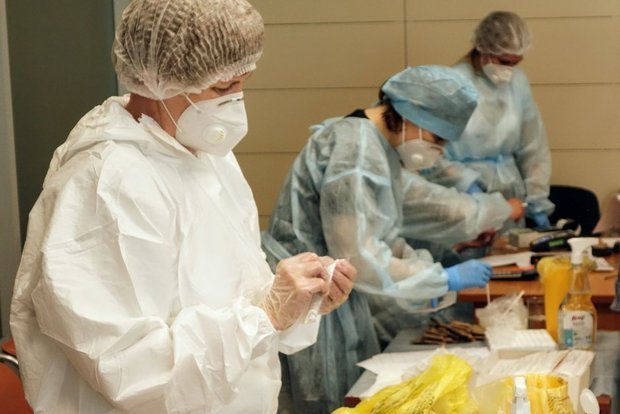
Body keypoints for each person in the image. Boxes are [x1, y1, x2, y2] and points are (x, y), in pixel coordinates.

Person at [9, 1, 357, 413]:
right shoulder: (105, 184)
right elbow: (128, 370)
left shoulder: (206, 157)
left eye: (243, 83)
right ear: (157, 79)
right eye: (222, 88)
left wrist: (295, 302)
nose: (237, 102)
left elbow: (227, 294)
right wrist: (266, 316)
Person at [262, 65, 496, 414]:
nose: (438, 152)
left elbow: (379, 234)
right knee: (321, 401)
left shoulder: (376, 147)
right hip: (309, 296)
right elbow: (358, 255)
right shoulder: (357, 149)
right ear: (413, 116)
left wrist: (425, 272)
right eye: (437, 139)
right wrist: (438, 279)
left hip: (330, 292)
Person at [425, 11, 554, 230]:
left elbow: (533, 147)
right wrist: (465, 183)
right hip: (462, 197)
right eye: (504, 61)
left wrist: (537, 201)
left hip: (510, 196)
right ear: (483, 49)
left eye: (515, 63)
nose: (508, 70)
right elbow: (431, 152)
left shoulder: (518, 83)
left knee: (510, 249)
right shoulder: (452, 83)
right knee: (468, 246)